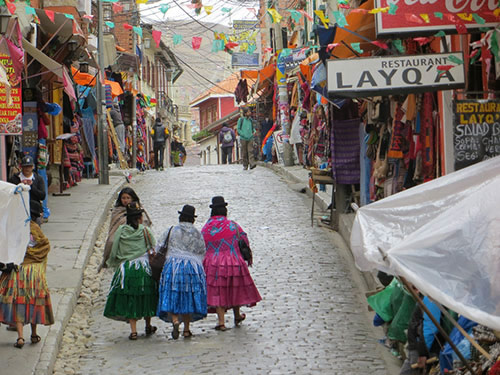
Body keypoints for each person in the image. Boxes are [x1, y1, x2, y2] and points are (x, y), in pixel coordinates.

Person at [201, 196, 261, 331]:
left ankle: (221, 321)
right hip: (234, 261)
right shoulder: (232, 225)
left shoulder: (206, 228)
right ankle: (237, 314)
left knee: (218, 291)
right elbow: (244, 239)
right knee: (235, 288)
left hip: (213, 264)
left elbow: (201, 246)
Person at [103, 202, 158, 340]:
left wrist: (113, 263)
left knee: (131, 298)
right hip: (144, 269)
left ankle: (133, 331)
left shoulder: (121, 231)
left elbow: (114, 249)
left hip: (127, 269)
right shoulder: (145, 230)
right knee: (146, 297)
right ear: (140, 218)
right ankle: (148, 324)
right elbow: (153, 246)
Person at [0, 219, 54, 348]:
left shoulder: (15, 230)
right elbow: (45, 246)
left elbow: (8, 250)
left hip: (19, 271)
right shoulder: (36, 230)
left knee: (19, 303)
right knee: (33, 302)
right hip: (35, 273)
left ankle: (20, 337)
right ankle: (34, 334)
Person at [157, 205, 207, 339]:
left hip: (173, 267)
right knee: (187, 297)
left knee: (172, 294)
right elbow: (202, 250)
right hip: (191, 268)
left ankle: (175, 320)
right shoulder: (197, 233)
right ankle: (186, 329)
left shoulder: (172, 230)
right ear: (192, 219)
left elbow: (159, 246)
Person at [99, 187, 152, 272]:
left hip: (137, 240)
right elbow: (113, 227)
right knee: (111, 242)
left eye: (128, 198)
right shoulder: (117, 211)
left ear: (133, 198)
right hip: (121, 237)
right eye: (123, 198)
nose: (126, 200)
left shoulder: (139, 209)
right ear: (120, 199)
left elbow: (145, 223)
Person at [9, 155, 46, 225]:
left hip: (34, 210)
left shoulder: (38, 179)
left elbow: (42, 195)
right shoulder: (15, 178)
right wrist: (20, 186)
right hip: (18, 208)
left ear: (32, 167)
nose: (27, 169)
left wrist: (31, 187)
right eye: (25, 167)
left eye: (29, 166)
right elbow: (10, 193)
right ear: (21, 167)